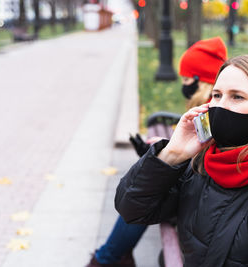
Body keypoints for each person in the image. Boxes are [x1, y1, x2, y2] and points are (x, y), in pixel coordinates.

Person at [115, 54, 248, 266]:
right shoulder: (202, 164)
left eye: (237, 97)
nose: (220, 106)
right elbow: (131, 208)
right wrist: (173, 154)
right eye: (216, 95)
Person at [86, 37, 228, 267]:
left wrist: (162, 155)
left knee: (149, 194)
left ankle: (107, 258)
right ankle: (108, 257)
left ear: (200, 79)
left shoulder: (212, 110)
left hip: (197, 197)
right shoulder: (204, 103)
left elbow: (200, 159)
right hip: (192, 188)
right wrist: (159, 152)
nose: (183, 83)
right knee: (145, 192)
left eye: (186, 78)